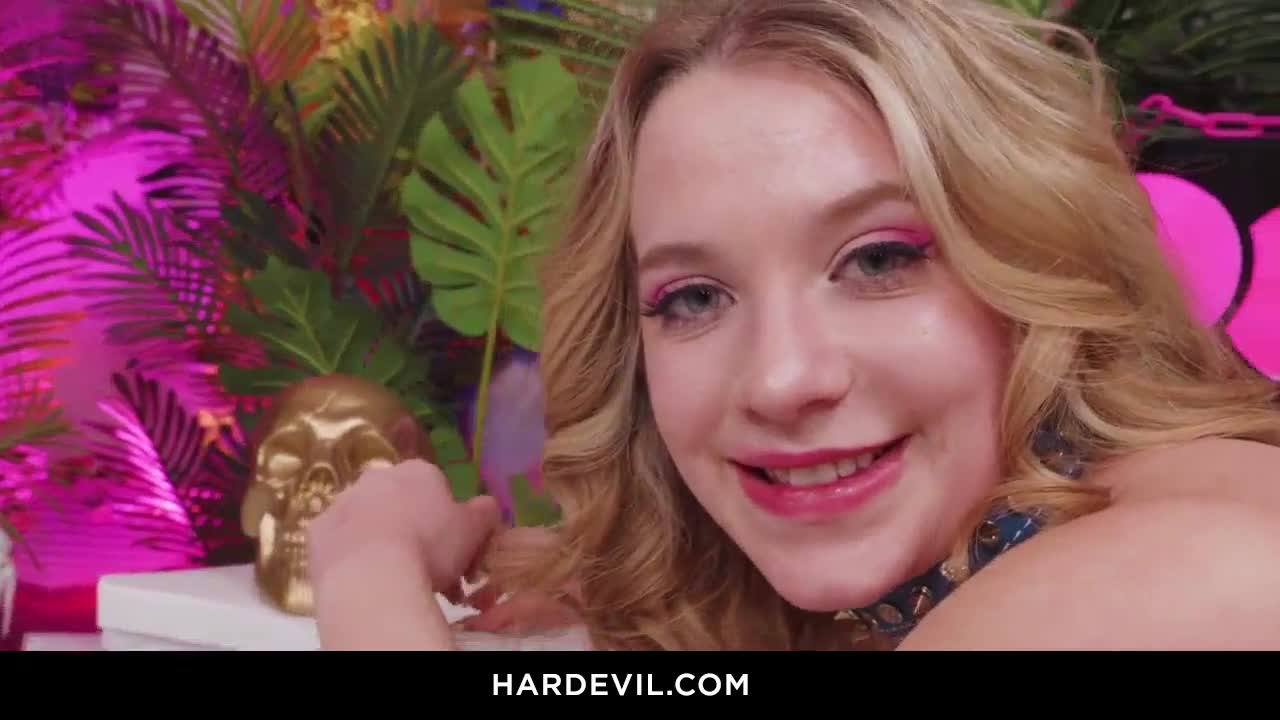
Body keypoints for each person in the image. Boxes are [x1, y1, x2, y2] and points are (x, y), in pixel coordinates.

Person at [306, 0, 1280, 651]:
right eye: (693, 299)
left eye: (878, 260)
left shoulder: (1149, 582)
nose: (779, 379)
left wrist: (367, 574)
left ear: (1040, 266)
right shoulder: (1049, 539)